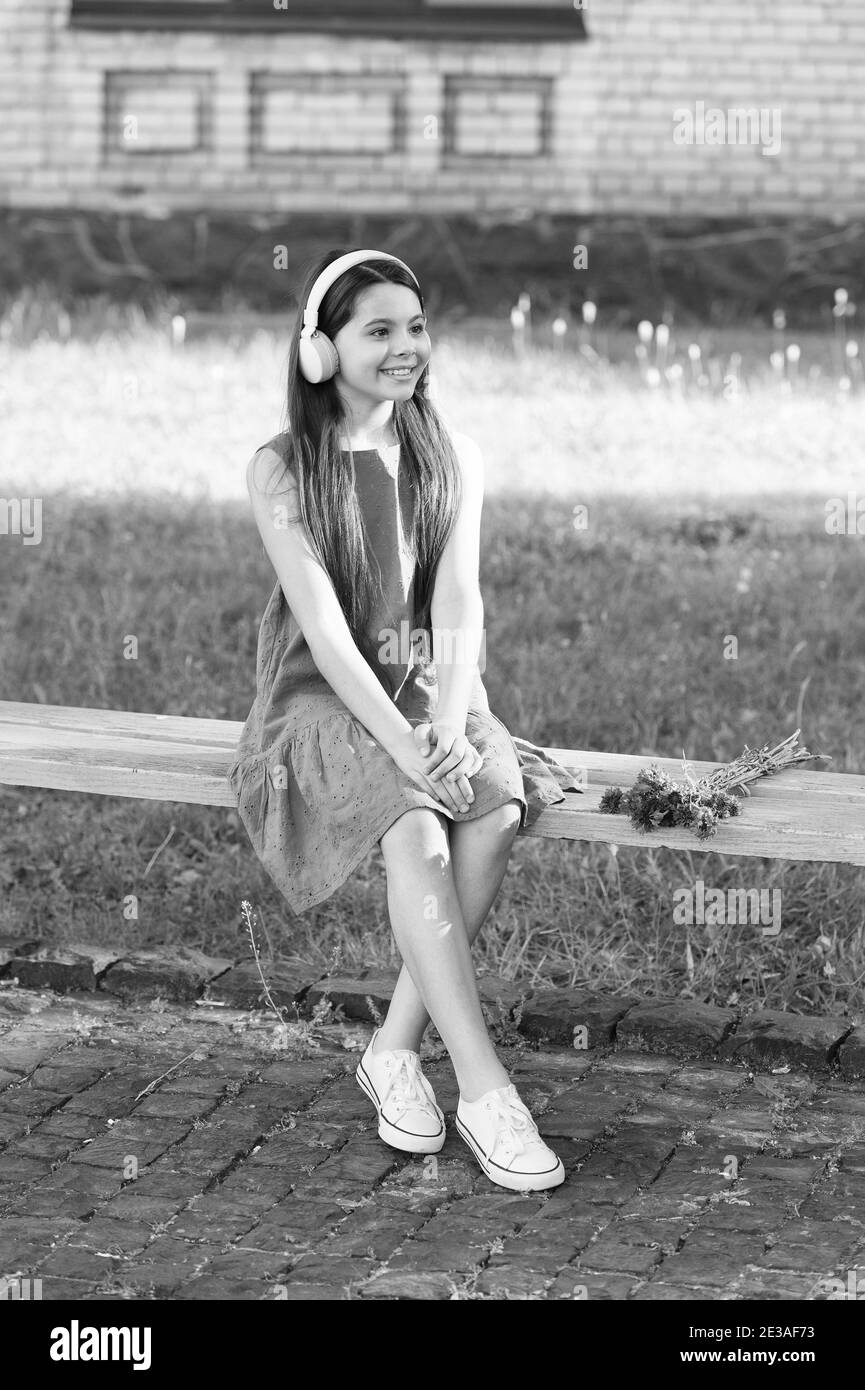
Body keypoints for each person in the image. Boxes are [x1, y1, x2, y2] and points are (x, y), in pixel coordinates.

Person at [229, 248, 580, 1192]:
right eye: (377, 330)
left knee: (494, 807)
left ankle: (391, 1049)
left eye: (414, 327)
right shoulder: (281, 469)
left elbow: (458, 599)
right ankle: (485, 1089)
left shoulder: (451, 454)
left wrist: (454, 723)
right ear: (320, 350)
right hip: (322, 698)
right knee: (415, 822)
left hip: (431, 687)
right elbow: (325, 633)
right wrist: (403, 749)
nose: (404, 347)